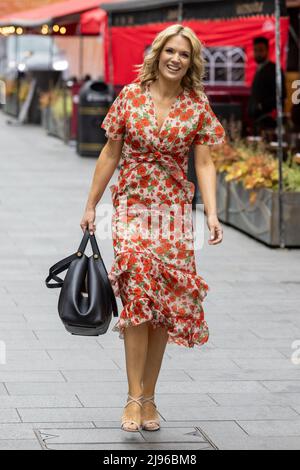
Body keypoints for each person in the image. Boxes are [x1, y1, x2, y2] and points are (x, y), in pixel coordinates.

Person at [80, 24, 225, 433]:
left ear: (191, 62)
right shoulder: (130, 97)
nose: (176, 59)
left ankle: (149, 396)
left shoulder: (196, 105)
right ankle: (131, 395)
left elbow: (204, 163)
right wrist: (91, 204)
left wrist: (211, 213)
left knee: (161, 307)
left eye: (184, 54)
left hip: (174, 213)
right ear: (158, 54)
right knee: (139, 294)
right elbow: (111, 152)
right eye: (170, 51)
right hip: (131, 208)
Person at [248, 36, 286, 136]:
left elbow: (282, 94)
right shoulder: (259, 69)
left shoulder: (275, 69)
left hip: (269, 121)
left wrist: (262, 106)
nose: (258, 53)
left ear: (267, 50)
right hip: (256, 120)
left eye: (261, 50)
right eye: (256, 50)